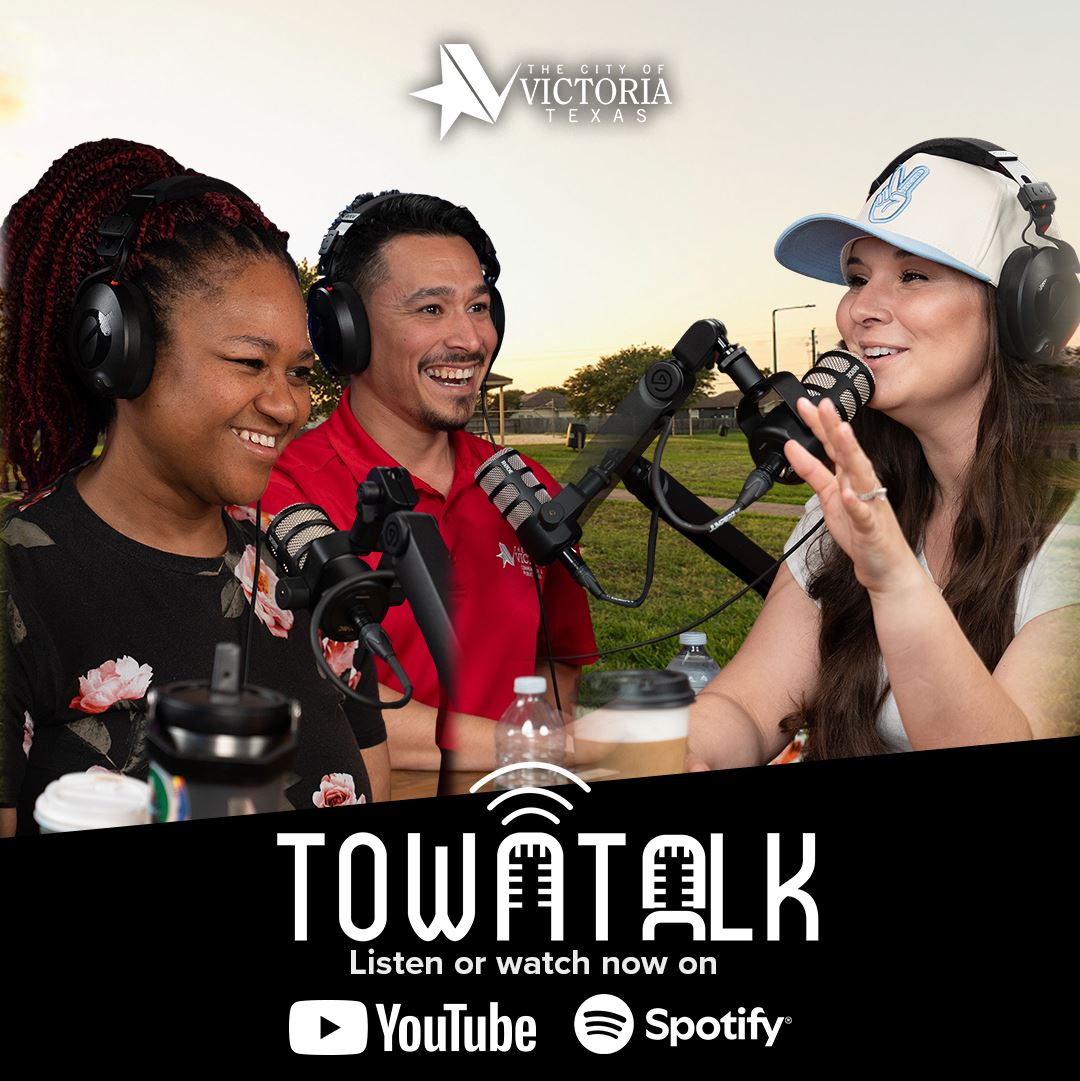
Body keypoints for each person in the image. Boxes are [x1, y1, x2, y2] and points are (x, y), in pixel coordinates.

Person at [0, 139, 387, 836]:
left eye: (300, 372)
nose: (287, 405)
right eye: (248, 361)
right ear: (119, 349)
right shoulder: (17, 580)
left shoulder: (305, 567)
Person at [689, 138, 1080, 766]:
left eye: (914, 275)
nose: (860, 310)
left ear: (1025, 306)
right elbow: (749, 702)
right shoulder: (859, 492)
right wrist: (676, 751)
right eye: (857, 279)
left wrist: (895, 578)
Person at [262, 191, 597, 772]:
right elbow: (318, 708)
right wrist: (546, 746)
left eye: (479, 307)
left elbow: (560, 656)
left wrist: (531, 763)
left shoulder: (522, 485)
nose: (470, 341)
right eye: (431, 310)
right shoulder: (282, 494)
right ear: (345, 329)